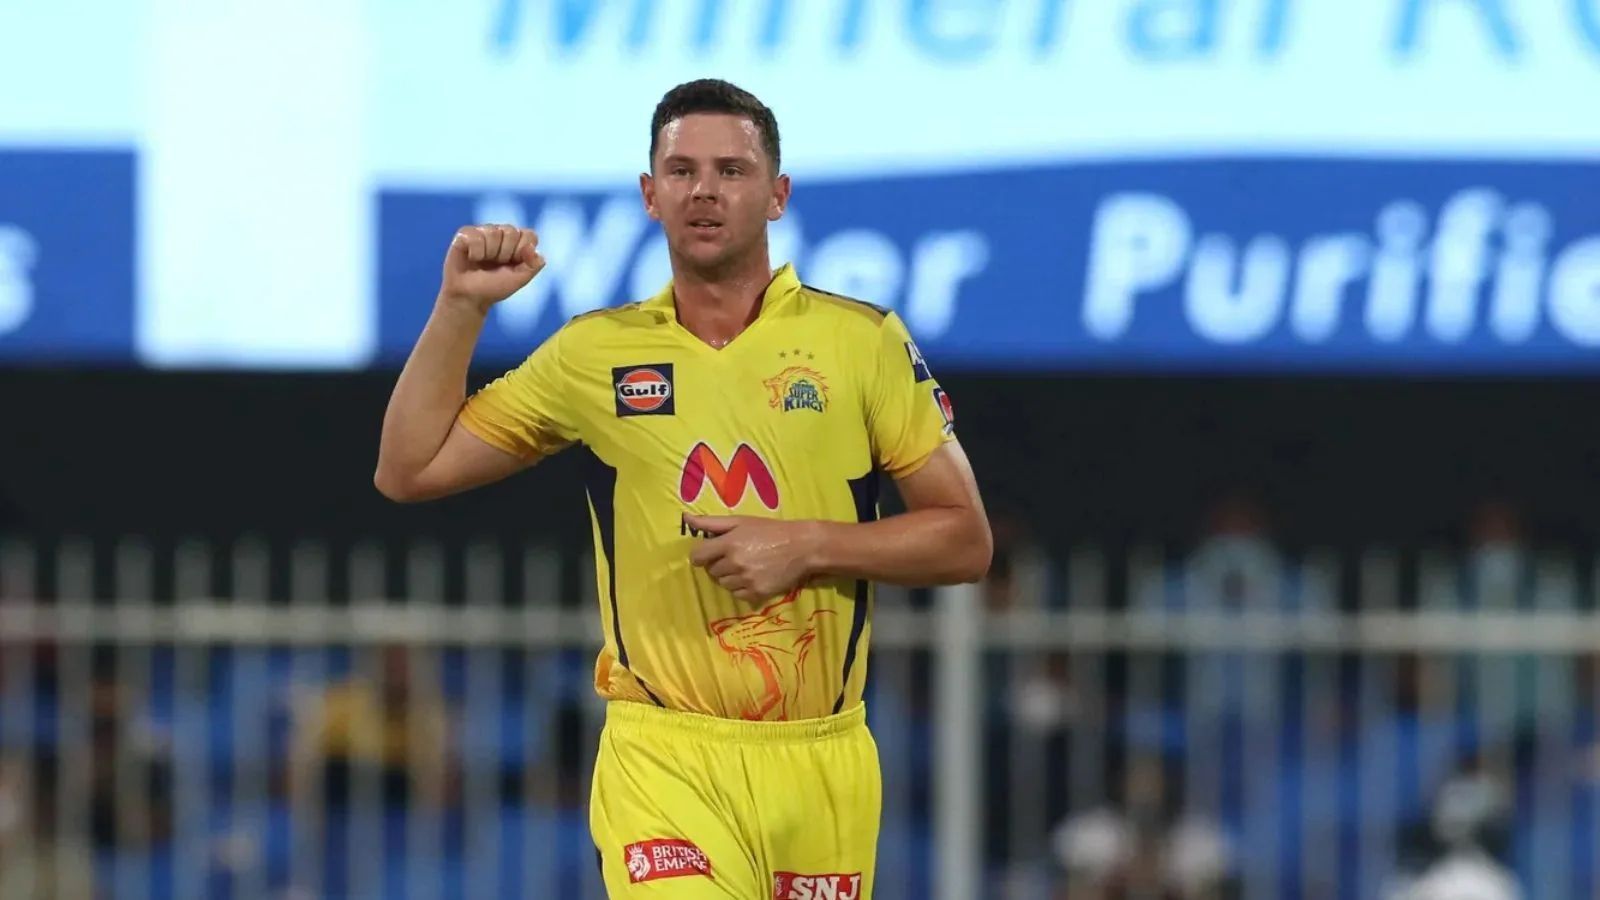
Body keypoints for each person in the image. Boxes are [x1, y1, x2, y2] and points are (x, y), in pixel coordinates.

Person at [374, 78, 991, 897]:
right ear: (650, 195)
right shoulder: (594, 354)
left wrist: (806, 545)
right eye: (682, 170)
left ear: (776, 195)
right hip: (661, 753)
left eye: (732, 171)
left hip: (823, 759)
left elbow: (965, 538)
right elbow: (408, 470)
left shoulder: (863, 343)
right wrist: (459, 307)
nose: (705, 190)